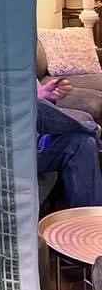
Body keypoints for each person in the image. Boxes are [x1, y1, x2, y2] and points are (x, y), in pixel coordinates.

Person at [37, 77, 102, 207]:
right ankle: (90, 128)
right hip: (12, 152)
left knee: (83, 142)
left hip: (35, 140)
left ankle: (88, 223)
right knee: (32, 106)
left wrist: (44, 94)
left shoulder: (20, 66)